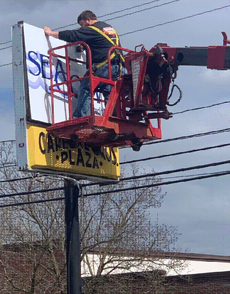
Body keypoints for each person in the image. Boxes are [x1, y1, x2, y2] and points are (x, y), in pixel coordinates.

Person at [44, 10, 125, 118]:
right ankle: (114, 117)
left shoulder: (92, 29)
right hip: (119, 68)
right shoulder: (108, 29)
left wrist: (51, 33)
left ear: (88, 20)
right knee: (108, 90)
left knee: (87, 86)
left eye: (82, 25)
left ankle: (79, 117)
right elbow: (101, 43)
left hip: (104, 67)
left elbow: (72, 35)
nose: (83, 28)